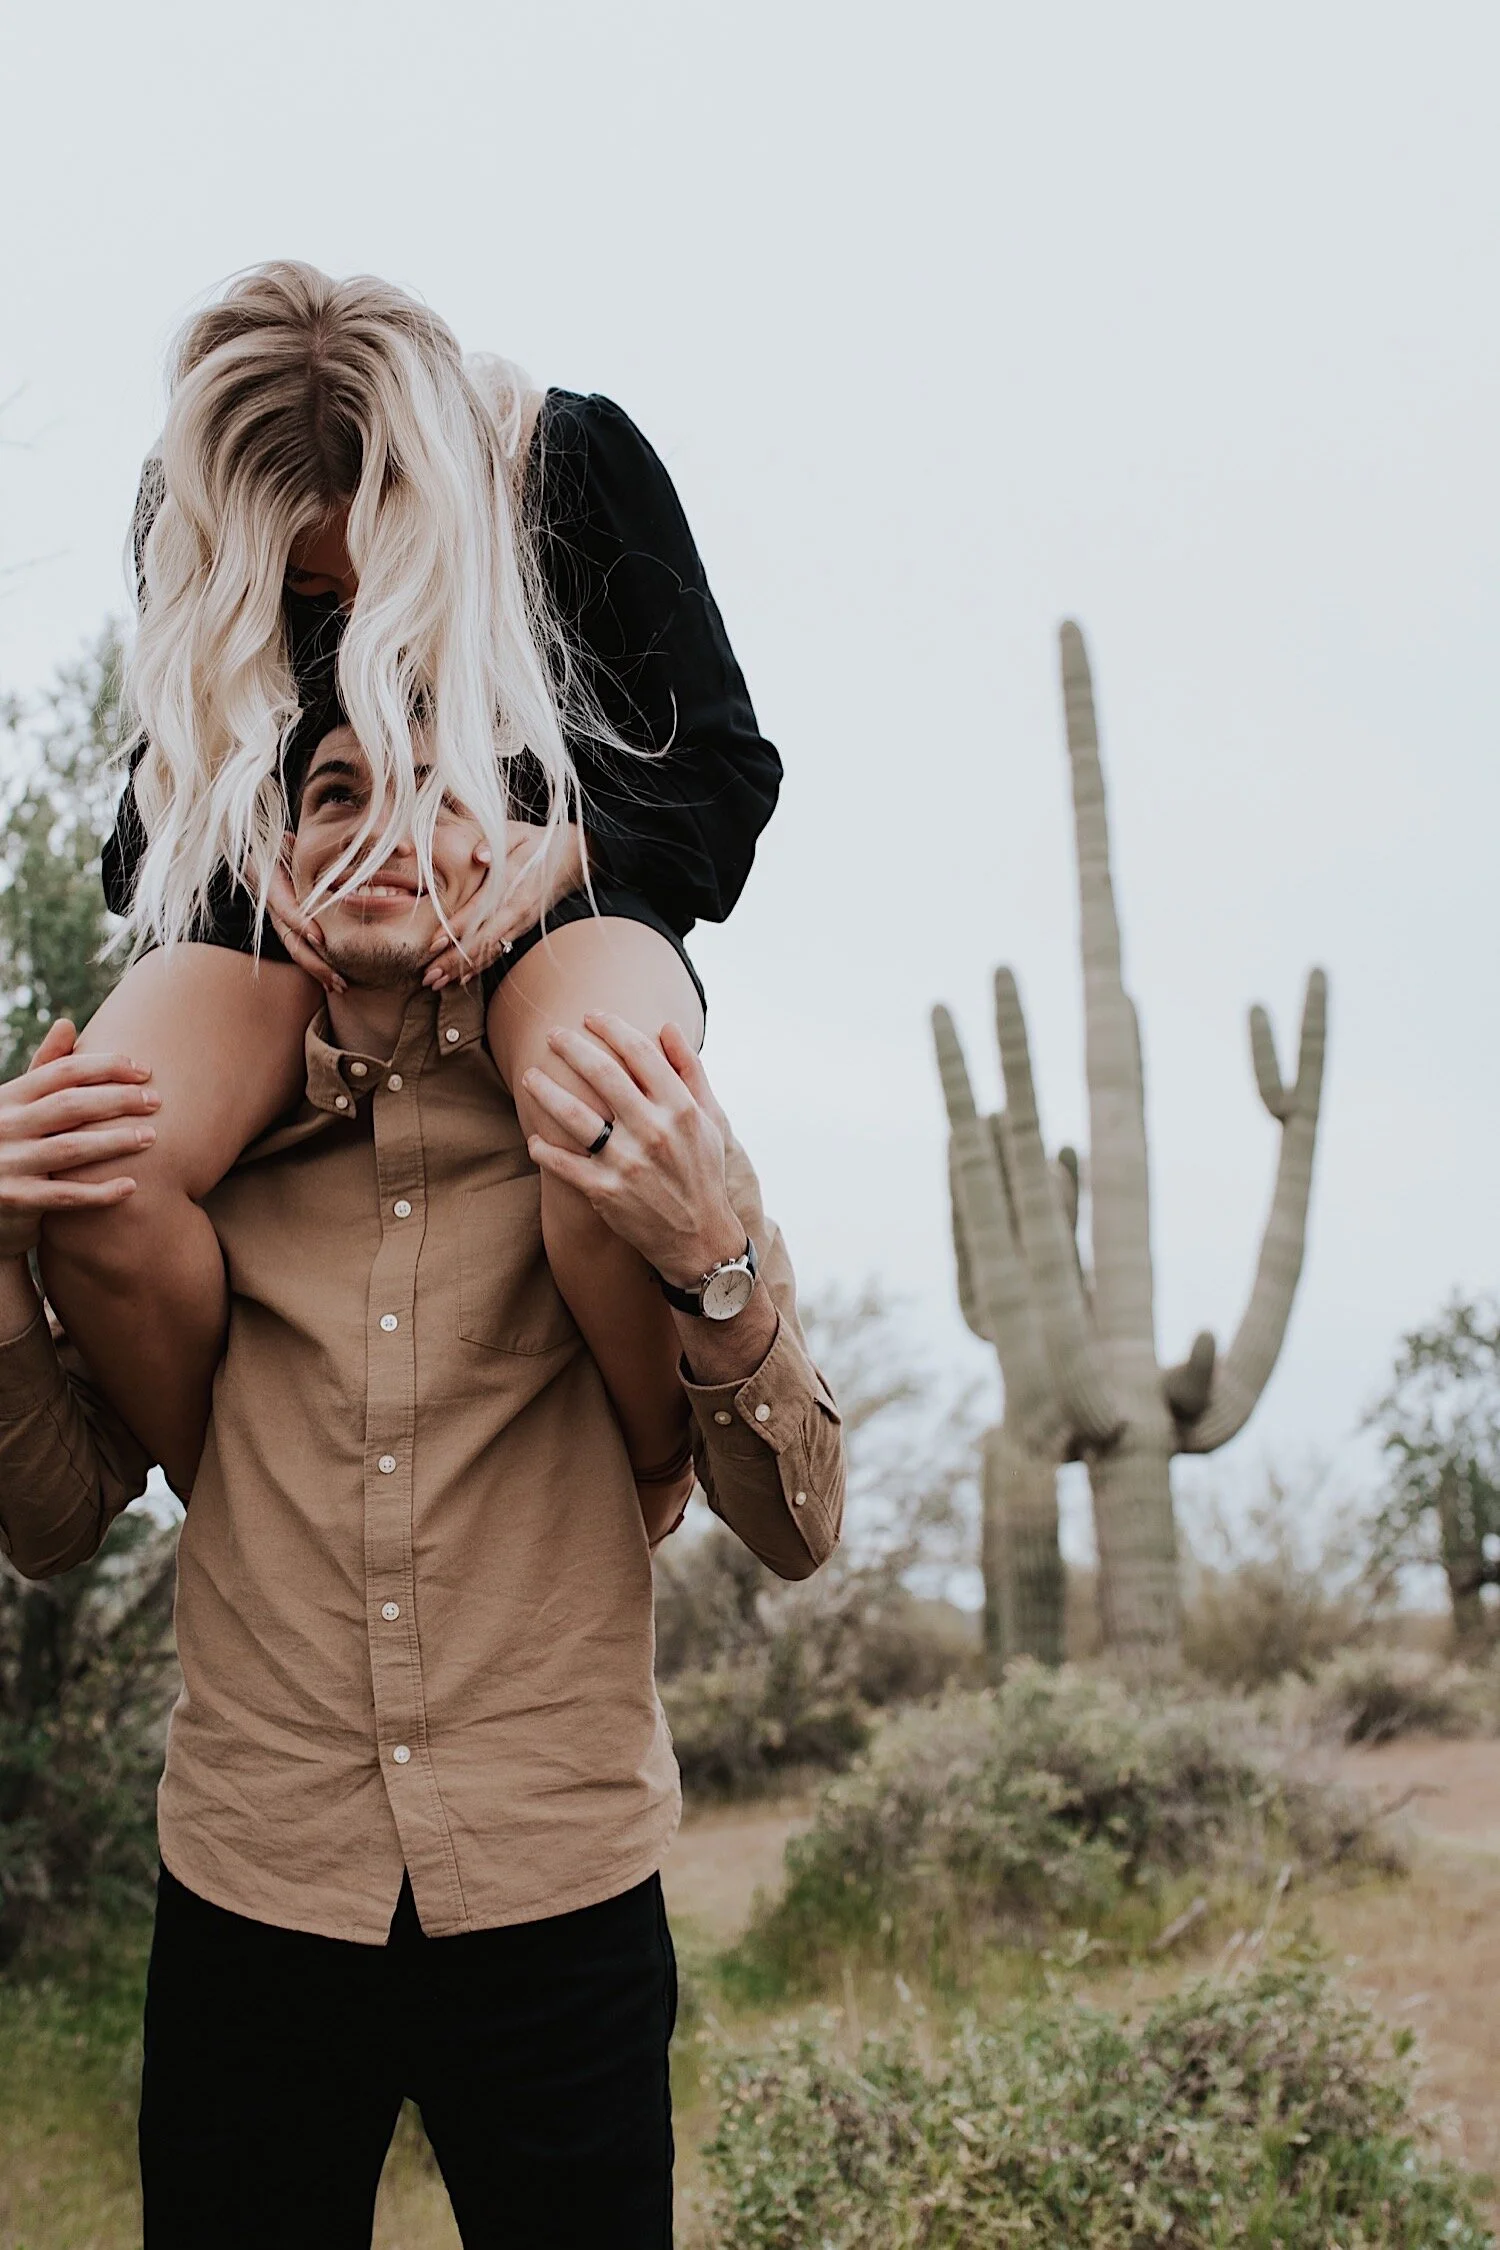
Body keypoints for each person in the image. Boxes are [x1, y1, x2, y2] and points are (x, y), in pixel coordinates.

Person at [0, 723, 845, 2247]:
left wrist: (709, 1263)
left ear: (509, 857)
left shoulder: (633, 1141)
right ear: (282, 866)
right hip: (251, 1887)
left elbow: (800, 1529)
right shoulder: (187, 1172)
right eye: (337, 793)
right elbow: (52, 1523)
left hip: (561, 1892)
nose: (385, 823)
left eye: (439, 791)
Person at [41, 260, 782, 1511]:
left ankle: (652, 1467)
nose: (343, 608)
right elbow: (142, 835)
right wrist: (250, 858)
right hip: (300, 922)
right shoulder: (188, 512)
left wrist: (565, 848)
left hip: (548, 899)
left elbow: (722, 773)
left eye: (375, 566)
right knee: (97, 1162)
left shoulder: (570, 463)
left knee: (600, 1102)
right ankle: (239, 1499)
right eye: (303, 588)